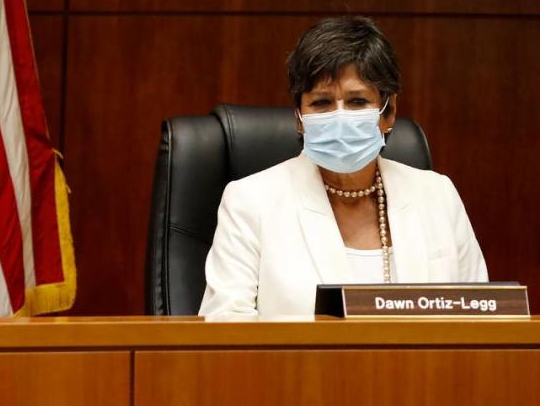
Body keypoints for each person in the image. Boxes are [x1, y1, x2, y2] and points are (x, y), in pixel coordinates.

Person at [199, 16, 488, 317]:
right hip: (299, 365)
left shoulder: (437, 195)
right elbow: (226, 329)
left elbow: (482, 321)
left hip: (425, 366)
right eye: (322, 103)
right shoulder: (250, 202)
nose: (339, 117)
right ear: (299, 117)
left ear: (388, 113)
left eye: (358, 102)